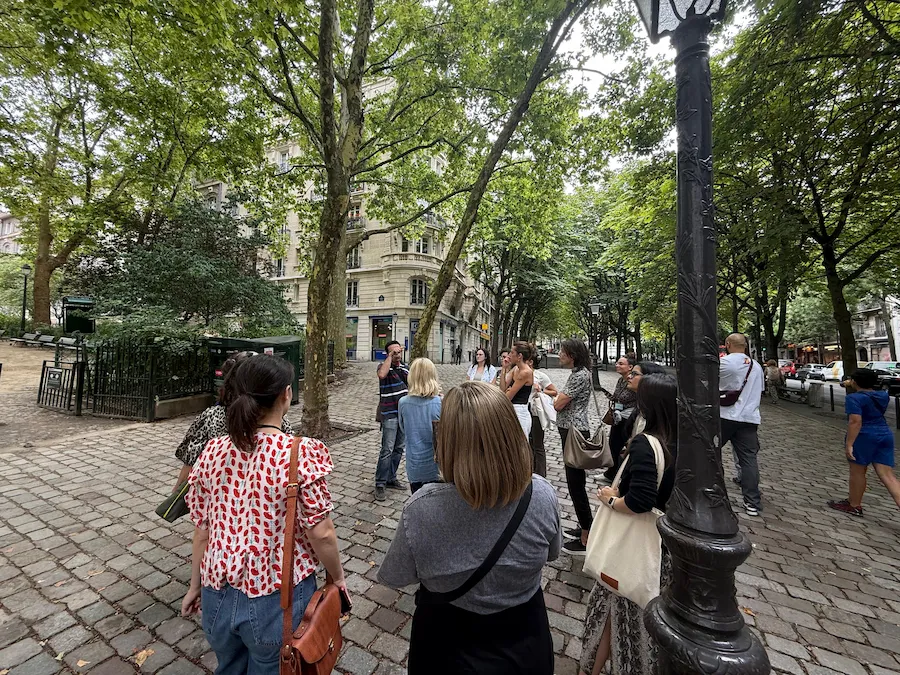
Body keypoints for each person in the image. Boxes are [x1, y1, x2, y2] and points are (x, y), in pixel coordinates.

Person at [378, 381, 560, 675]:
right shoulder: (541, 494)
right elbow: (552, 553)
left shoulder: (422, 507)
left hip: (446, 641)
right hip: (524, 636)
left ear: (448, 440)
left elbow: (397, 574)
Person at [181, 355, 348, 674]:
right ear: (286, 395)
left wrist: (195, 587)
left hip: (217, 594)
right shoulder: (299, 454)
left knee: (228, 666)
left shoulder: (213, 452)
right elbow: (321, 532)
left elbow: (202, 530)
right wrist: (337, 578)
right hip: (276, 599)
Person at [579, 374, 678, 675]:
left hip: (631, 547)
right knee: (628, 617)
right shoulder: (682, 441)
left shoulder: (646, 444)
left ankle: (593, 667)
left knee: (610, 611)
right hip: (660, 546)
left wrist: (610, 499)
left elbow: (640, 501)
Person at [172, 351, 293, 491]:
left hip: (223, 497)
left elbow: (191, 460)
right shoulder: (279, 420)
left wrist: (175, 495)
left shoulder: (212, 419)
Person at [827, 368, 900, 516]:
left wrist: (849, 444)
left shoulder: (854, 398)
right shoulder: (882, 395)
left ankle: (854, 505)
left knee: (857, 472)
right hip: (884, 434)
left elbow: (855, 422)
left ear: (855, 382)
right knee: (888, 476)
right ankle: (852, 501)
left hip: (864, 436)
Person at [555, 338, 594, 555]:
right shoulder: (579, 374)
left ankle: (586, 535)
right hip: (571, 430)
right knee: (575, 481)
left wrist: (556, 400)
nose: (560, 355)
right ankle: (585, 525)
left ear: (572, 355)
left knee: (575, 483)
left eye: (563, 351)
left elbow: (559, 403)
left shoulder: (579, 376)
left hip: (573, 431)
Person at [719, 333, 764, 517]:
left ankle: (711, 491)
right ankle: (752, 502)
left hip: (725, 416)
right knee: (748, 460)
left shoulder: (725, 363)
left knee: (708, 452)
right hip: (749, 419)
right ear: (745, 346)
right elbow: (759, 391)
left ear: (727, 344)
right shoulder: (757, 367)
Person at [399, 358, 443, 494]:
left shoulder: (403, 403)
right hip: (437, 466)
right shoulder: (440, 403)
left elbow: (403, 428)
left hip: (414, 464)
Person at [376, 340, 409, 502]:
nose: (397, 355)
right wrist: (389, 358)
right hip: (389, 413)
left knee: (399, 448)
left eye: (399, 351)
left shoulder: (405, 367)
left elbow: (413, 384)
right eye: (393, 352)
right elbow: (382, 375)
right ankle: (380, 482)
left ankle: (391, 477)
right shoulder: (383, 367)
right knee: (387, 449)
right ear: (388, 353)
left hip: (404, 414)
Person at [603, 356, 638, 482]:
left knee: (624, 446)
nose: (617, 365)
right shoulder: (620, 380)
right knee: (613, 444)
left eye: (621, 363)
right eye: (617, 363)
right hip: (618, 417)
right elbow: (617, 397)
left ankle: (620, 475)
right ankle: (611, 473)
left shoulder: (634, 382)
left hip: (628, 418)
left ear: (630, 367)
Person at [529, 355, 558, 477]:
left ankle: (540, 474)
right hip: (522, 411)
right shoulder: (517, 373)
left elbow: (554, 391)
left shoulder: (540, 375)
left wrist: (540, 390)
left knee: (537, 444)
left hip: (535, 412)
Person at [505, 342, 535, 438]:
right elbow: (503, 388)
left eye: (512, 353)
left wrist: (508, 391)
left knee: (520, 446)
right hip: (512, 409)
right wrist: (504, 369)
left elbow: (509, 396)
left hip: (519, 411)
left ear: (519, 356)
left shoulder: (525, 372)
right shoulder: (516, 369)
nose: (509, 355)